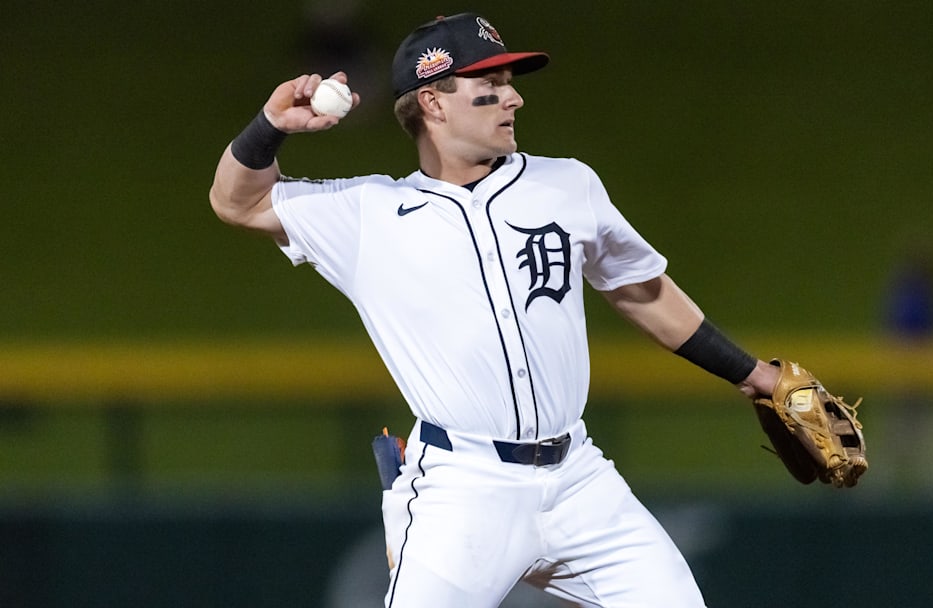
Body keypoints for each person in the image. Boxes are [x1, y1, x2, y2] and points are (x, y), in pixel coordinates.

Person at [210, 13, 780, 607]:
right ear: (432, 103)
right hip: (462, 487)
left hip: (578, 477)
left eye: (510, 80)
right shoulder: (367, 212)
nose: (514, 97)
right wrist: (271, 126)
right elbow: (236, 202)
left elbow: (642, 290)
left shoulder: (568, 185)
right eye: (491, 86)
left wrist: (755, 376)